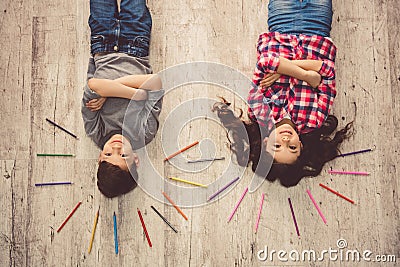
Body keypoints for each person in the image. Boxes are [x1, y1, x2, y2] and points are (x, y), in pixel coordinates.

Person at [213, 0, 353, 186]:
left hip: (282, 24)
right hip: (317, 29)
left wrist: (305, 75)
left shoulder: (259, 113)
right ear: (301, 146)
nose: (286, 139)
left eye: (277, 145)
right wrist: (285, 68)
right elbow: (327, 69)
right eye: (292, 147)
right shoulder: (314, 120)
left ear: (265, 142)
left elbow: (264, 62)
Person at [81, 0, 164, 197]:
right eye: (123, 155)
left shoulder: (96, 131)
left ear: (100, 157)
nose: (116, 147)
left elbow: (93, 85)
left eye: (109, 154)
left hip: (102, 43)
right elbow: (154, 81)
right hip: (137, 43)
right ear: (136, 159)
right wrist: (109, 91)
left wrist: (135, 94)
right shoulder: (144, 133)